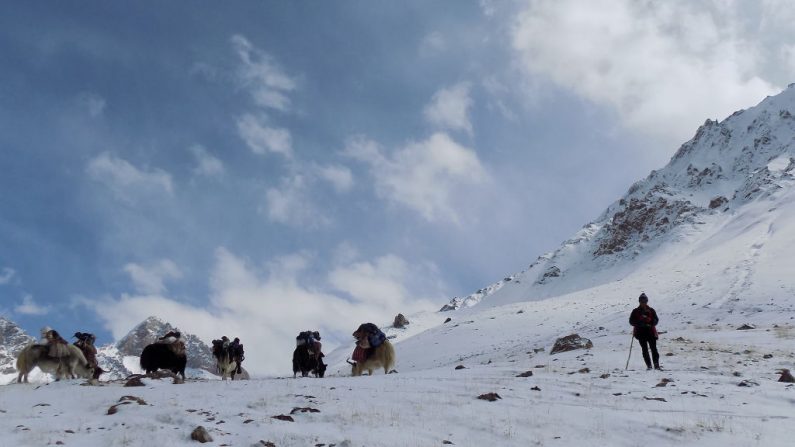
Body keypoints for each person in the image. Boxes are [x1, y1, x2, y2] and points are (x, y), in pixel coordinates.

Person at [629, 292, 661, 370]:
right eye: (642, 301)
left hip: (650, 332)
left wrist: (651, 321)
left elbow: (656, 320)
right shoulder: (635, 311)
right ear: (639, 301)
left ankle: (656, 365)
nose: (643, 303)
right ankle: (649, 366)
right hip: (641, 333)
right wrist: (640, 323)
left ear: (647, 301)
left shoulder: (651, 310)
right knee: (645, 350)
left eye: (645, 301)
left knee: (654, 349)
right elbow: (631, 321)